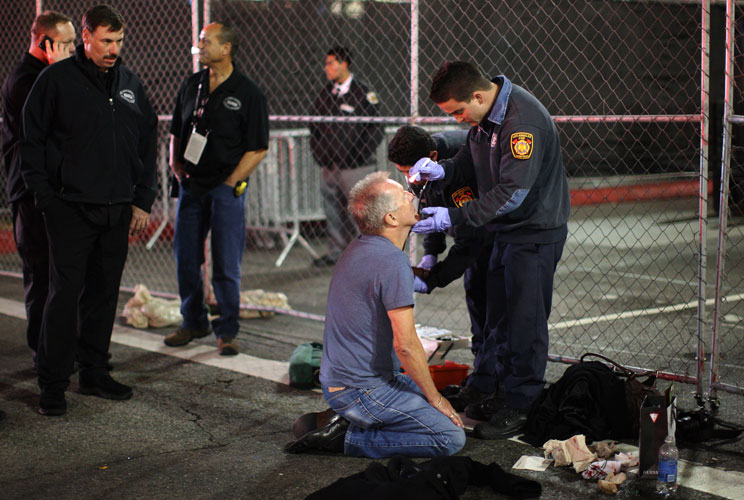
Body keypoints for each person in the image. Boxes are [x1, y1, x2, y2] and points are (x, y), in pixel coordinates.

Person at [409, 61, 570, 439]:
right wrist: (445, 171)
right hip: (507, 232)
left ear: (478, 96)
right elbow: (470, 158)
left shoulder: (520, 122)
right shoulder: (486, 119)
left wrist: (450, 217)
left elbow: (511, 193)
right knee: (500, 316)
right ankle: (497, 388)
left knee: (525, 322)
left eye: (458, 111)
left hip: (532, 233)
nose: (459, 119)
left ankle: (523, 401)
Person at [20, 4, 158, 416]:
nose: (114, 49)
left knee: (103, 296)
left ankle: (94, 372)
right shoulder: (55, 80)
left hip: (117, 211)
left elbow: (147, 144)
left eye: (119, 41)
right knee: (63, 298)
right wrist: (46, 199)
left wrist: (142, 199)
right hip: (71, 210)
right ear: (86, 37)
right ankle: (53, 384)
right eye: (106, 41)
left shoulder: (130, 83)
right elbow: (30, 143)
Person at [285, 171, 466, 458]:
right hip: (361, 388)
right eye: (403, 196)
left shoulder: (362, 246)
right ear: (391, 219)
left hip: (353, 382)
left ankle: (345, 418)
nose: (411, 194)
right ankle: (346, 437)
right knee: (450, 436)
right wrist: (436, 398)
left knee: (438, 410)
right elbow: (405, 345)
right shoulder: (391, 260)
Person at [165, 22, 269, 356]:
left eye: (205, 41)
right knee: (186, 258)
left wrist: (229, 182)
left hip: (226, 190)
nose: (199, 45)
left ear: (226, 48)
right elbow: (177, 132)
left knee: (226, 262)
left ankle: (227, 330)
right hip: (191, 187)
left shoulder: (248, 93)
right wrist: (175, 165)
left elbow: (257, 148)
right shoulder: (192, 84)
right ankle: (193, 320)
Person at [388, 125, 499, 421]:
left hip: (499, 240)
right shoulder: (421, 168)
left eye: (409, 172)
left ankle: (497, 389)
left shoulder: (467, 165)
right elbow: (429, 208)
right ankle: (481, 382)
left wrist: (435, 278)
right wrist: (430, 254)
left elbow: (472, 239)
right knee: (478, 306)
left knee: (497, 313)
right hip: (473, 237)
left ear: (433, 158)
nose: (408, 179)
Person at [1, 11, 75, 371]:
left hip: (53, 190)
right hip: (30, 192)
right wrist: (59, 73)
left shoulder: (47, 76)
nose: (74, 50)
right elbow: (54, 120)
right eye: (68, 43)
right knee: (40, 273)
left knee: (60, 274)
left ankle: (58, 347)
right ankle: (43, 352)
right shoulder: (26, 81)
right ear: (47, 44)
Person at [309, 46, 383, 267]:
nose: (327, 68)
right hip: (330, 166)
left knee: (359, 212)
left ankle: (363, 254)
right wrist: (321, 154)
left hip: (355, 166)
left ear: (344, 64)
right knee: (333, 210)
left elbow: (376, 129)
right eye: (326, 63)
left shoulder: (363, 93)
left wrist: (357, 155)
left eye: (331, 63)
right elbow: (314, 127)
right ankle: (337, 251)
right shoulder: (326, 93)